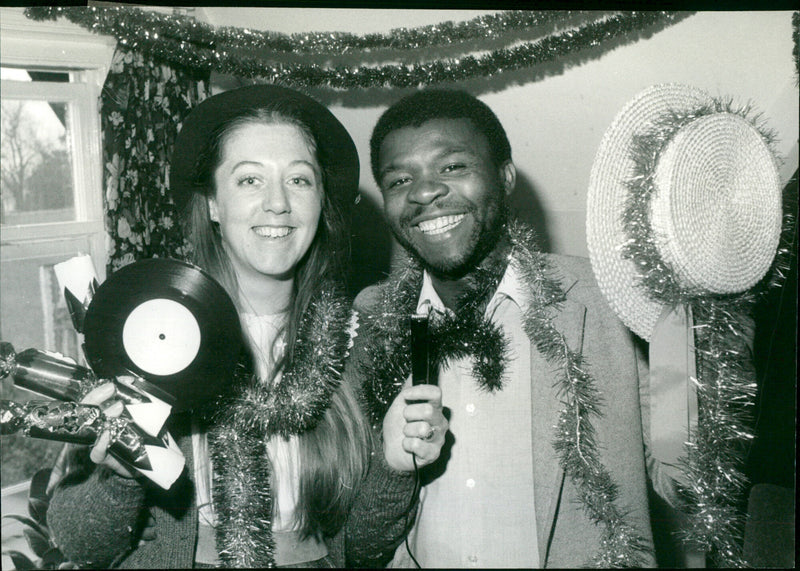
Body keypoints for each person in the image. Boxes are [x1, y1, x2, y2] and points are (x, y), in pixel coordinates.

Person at [45, 84, 447, 569]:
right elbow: (79, 544)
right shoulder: (146, 329)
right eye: (249, 180)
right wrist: (120, 476)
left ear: (321, 203)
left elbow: (356, 552)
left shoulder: (358, 342)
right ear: (213, 204)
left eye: (299, 180)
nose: (277, 203)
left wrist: (395, 467)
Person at [349, 88, 659, 568]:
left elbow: (684, 483)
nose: (424, 191)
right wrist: (395, 469)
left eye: (452, 166)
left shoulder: (607, 301)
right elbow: (356, 545)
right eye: (400, 179)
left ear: (506, 177)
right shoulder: (370, 320)